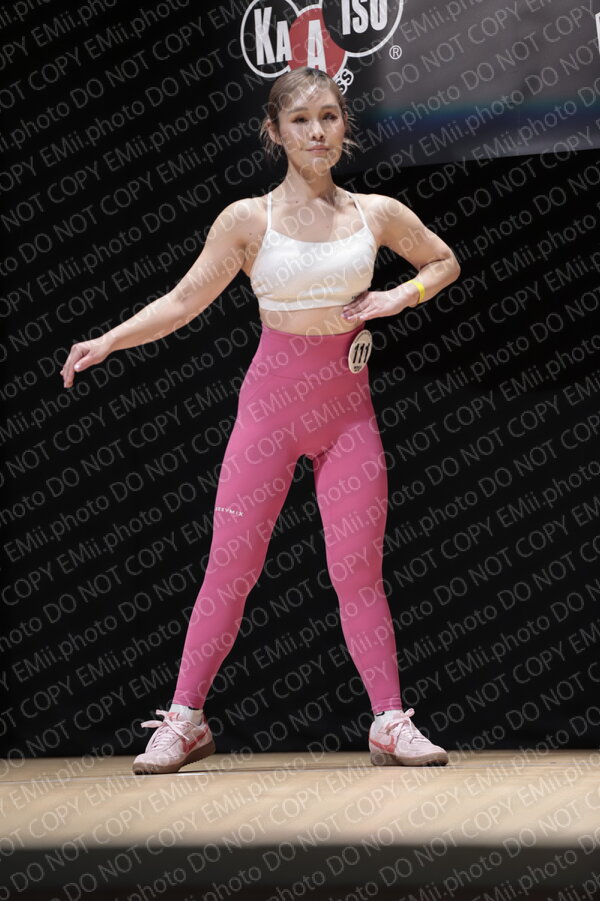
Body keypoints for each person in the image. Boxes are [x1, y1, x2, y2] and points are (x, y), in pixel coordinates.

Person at [60, 67, 460, 774]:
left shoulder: (377, 213)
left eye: (329, 117)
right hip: (270, 414)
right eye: (300, 120)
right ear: (274, 132)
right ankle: (185, 719)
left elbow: (445, 261)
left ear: (345, 126)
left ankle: (389, 720)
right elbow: (183, 301)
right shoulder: (248, 220)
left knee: (358, 571)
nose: (317, 132)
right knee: (231, 569)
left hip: (347, 418)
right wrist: (110, 340)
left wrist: (400, 297)